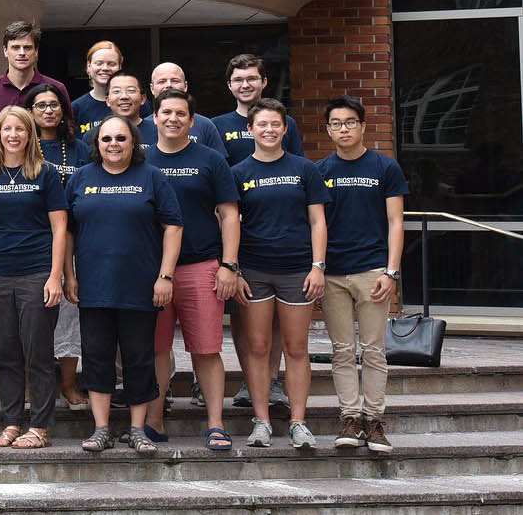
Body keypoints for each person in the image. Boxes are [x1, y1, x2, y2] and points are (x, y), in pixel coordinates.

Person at [64, 116, 182, 456]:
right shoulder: (81, 178)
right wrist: (70, 276)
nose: (113, 144)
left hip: (140, 287)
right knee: (97, 358)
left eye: (120, 138)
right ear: (96, 145)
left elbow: (173, 227)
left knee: (139, 359)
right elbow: (67, 231)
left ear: (133, 143)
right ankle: (101, 429)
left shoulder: (152, 177)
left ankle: (137, 429)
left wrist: (165, 275)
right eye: (106, 139)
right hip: (93, 287)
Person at [231, 97, 329, 450]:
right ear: (250, 130)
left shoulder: (305, 169)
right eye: (262, 124)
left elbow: (318, 221)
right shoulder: (238, 173)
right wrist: (235, 269)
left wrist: (318, 266)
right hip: (255, 270)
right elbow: (231, 224)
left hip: (297, 270)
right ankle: (261, 422)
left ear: (285, 129)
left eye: (276, 124)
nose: (269, 130)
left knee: (296, 348)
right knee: (258, 347)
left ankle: (299, 422)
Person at [145, 89, 240, 451]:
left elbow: (230, 214)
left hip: (202, 265)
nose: (172, 119)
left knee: (206, 348)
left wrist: (229, 264)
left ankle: (216, 423)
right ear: (154, 118)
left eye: (180, 113)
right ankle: (153, 421)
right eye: (165, 112)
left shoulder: (212, 159)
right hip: (153, 271)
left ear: (191, 119)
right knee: (155, 349)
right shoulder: (142, 160)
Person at [0, 105, 66, 451]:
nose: (13, 135)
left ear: (30, 134)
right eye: (6, 129)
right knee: (7, 352)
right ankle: (11, 421)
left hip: (37, 272)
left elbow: (59, 228)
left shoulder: (46, 174)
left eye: (20, 129)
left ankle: (39, 425)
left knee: (38, 352)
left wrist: (56, 277)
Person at [318, 94, 407, 454]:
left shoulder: (385, 168)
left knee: (373, 350)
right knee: (342, 350)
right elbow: (315, 223)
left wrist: (392, 271)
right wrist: (318, 268)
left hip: (373, 270)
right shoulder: (320, 171)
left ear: (363, 125)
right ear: (328, 130)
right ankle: (349, 418)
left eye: (350, 122)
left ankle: (374, 420)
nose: (344, 129)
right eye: (336, 123)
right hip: (333, 274)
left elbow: (396, 222)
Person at [24, 80, 89, 410]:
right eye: (41, 106)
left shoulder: (78, 148)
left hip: (76, 238)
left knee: (68, 313)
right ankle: (30, 384)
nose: (48, 111)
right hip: (33, 240)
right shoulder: (21, 145)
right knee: (30, 316)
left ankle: (68, 383)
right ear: (30, 112)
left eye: (54, 105)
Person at [0, 20, 71, 147]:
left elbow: (69, 131)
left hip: (48, 163)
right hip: (2, 165)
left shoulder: (56, 88)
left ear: (36, 52)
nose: (22, 53)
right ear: (5, 51)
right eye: (16, 47)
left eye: (27, 47)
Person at [213, 53, 304, 165]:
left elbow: (299, 165)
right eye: (238, 80)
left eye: (252, 79)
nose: (245, 85)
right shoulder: (216, 126)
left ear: (264, 82)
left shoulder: (285, 122)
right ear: (229, 85)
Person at [137, 63, 220, 147]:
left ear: (185, 86)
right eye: (162, 81)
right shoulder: (140, 129)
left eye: (175, 81)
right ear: (152, 88)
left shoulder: (205, 125)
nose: (169, 85)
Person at [71, 41, 126, 140]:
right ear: (88, 67)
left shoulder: (134, 103)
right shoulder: (76, 108)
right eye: (99, 63)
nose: (105, 68)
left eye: (111, 64)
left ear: (120, 67)